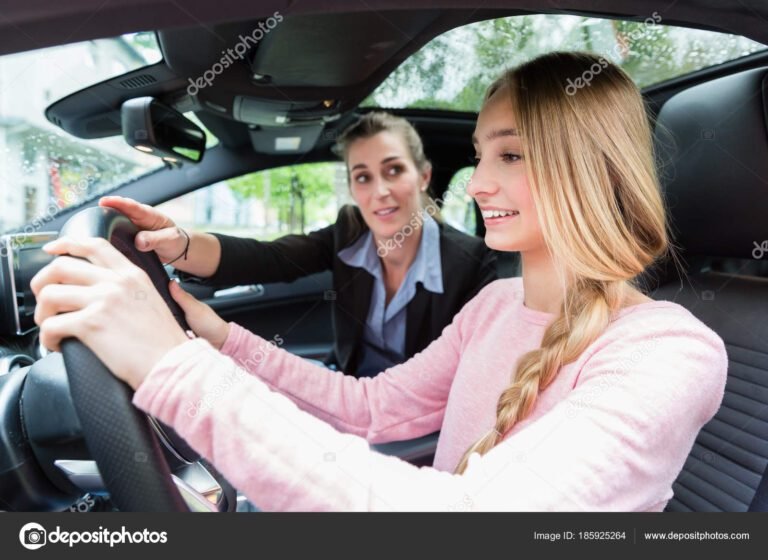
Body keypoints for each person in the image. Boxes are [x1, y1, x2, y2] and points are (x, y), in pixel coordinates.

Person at [32, 51, 727, 511]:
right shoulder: (493, 307)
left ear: (589, 168)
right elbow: (367, 409)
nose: (480, 185)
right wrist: (214, 337)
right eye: (481, 156)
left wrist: (175, 369)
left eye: (510, 155)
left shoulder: (670, 351)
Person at [98, 112, 497, 378]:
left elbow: (459, 379)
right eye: (362, 177)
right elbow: (271, 259)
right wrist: (181, 244)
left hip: (415, 417)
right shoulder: (349, 229)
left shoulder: (468, 263)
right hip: (350, 384)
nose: (380, 192)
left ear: (424, 176)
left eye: (394, 170)